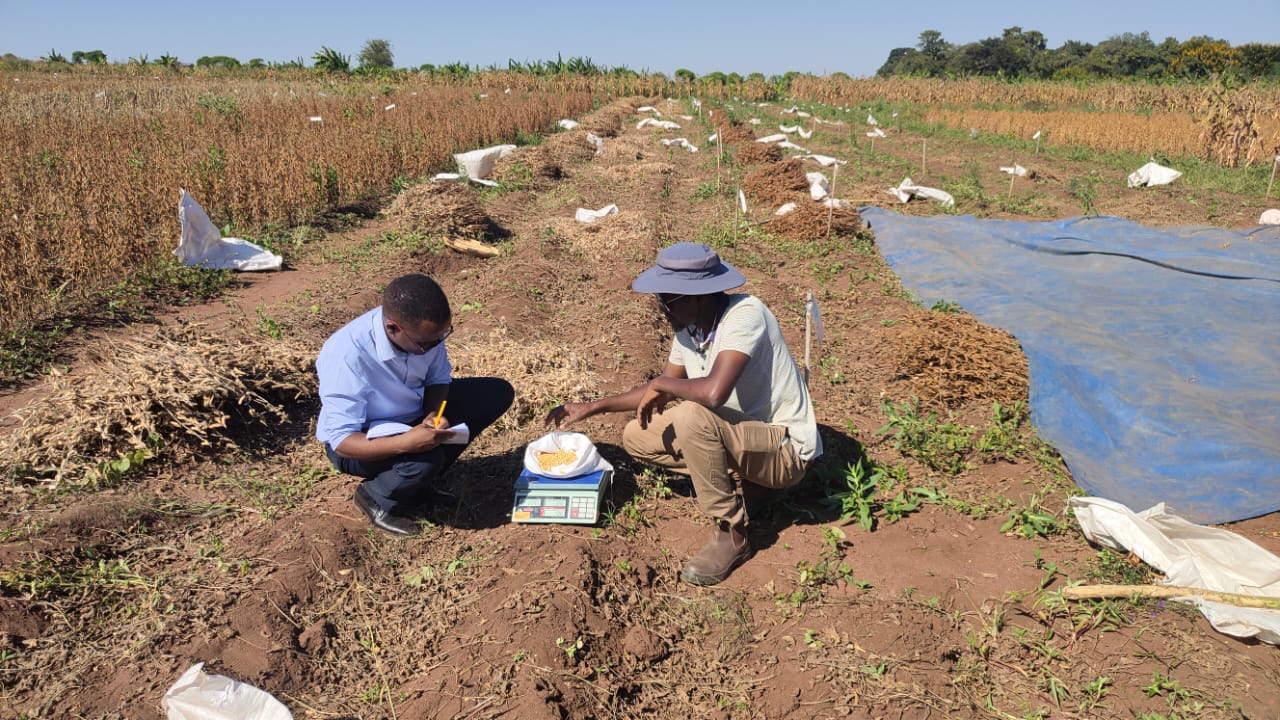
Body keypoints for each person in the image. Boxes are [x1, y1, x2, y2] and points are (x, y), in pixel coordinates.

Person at [546, 243, 822, 585]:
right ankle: (747, 482)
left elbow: (711, 392)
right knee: (636, 436)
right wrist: (594, 406)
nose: (661, 308)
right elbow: (660, 390)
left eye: (667, 299)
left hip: (783, 449)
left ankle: (731, 532)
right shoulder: (690, 330)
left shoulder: (745, 315)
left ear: (700, 296)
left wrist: (662, 383)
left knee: (692, 415)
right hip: (741, 435)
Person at [316, 273, 514, 537]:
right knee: (425, 459)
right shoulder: (346, 355)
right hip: (362, 440)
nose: (435, 345)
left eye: (442, 336)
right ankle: (376, 497)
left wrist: (432, 415)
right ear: (393, 328)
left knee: (495, 393)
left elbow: (438, 379)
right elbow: (341, 441)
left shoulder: (424, 334)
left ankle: (419, 483)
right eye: (426, 344)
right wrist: (406, 443)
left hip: (410, 416)